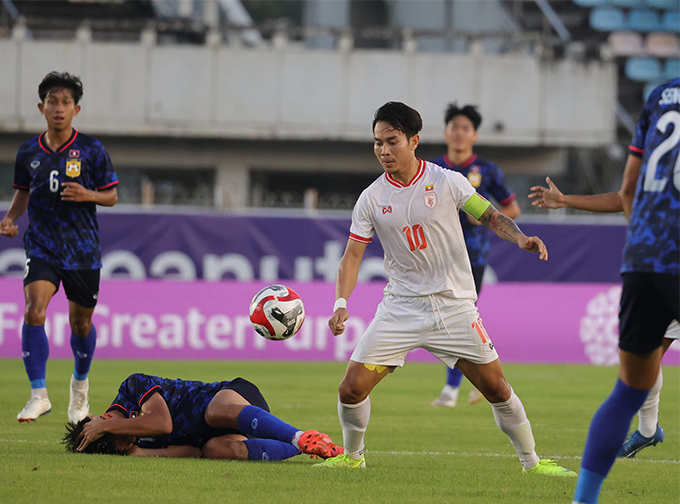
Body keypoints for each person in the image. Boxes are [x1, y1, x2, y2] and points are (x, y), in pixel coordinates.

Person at [315, 101, 575, 477]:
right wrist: (341, 302)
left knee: (498, 390)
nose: (384, 151)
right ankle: (353, 458)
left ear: (414, 140)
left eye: (392, 141)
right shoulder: (371, 198)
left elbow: (491, 215)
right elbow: (351, 258)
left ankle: (533, 464)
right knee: (351, 389)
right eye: (377, 143)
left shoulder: (447, 180)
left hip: (454, 308)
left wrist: (519, 239)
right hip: (400, 309)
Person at [560, 79, 677, 504]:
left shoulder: (661, 96)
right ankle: (648, 431)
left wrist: (653, 242)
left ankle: (584, 499)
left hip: (644, 257)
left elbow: (628, 190)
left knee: (628, 389)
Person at [529, 172, 679, 459]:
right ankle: (648, 430)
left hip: (663, 268)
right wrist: (565, 200)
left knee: (643, 357)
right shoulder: (659, 159)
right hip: (662, 269)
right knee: (645, 355)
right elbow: (624, 197)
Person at [0, 72, 119, 423]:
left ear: (76, 109)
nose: (59, 108)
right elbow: (24, 191)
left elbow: (111, 196)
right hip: (42, 246)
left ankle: (79, 390)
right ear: (42, 107)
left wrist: (88, 194)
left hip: (82, 251)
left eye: (66, 102)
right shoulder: (28, 151)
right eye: (52, 101)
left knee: (81, 324)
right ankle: (38, 394)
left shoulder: (93, 150)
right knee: (34, 309)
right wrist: (10, 218)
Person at [430, 103, 521, 408]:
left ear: (475, 135)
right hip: (436, 255)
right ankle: (485, 380)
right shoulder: (431, 169)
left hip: (472, 256)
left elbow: (512, 209)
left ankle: (451, 390)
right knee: (449, 320)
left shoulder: (486, 170)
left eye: (465, 128)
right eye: (454, 127)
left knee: (459, 319)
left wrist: (482, 217)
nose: (459, 133)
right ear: (446, 132)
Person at [63, 373, 344, 462]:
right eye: (120, 448)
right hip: (224, 434)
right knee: (213, 451)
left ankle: (295, 434)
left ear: (103, 419)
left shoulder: (131, 388)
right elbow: (191, 451)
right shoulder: (132, 443)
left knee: (213, 413)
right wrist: (136, 452)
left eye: (120, 438)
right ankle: (308, 445)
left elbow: (162, 423)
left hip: (232, 399)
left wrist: (107, 427)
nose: (127, 440)